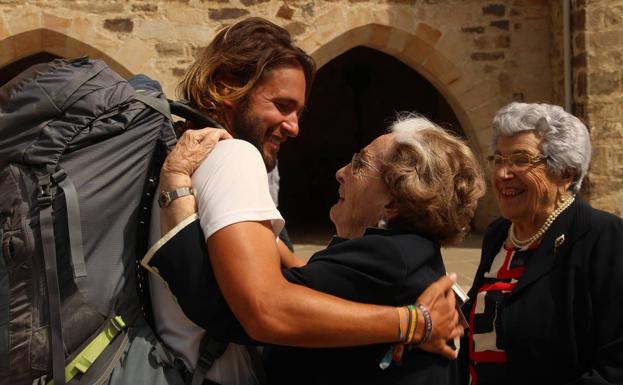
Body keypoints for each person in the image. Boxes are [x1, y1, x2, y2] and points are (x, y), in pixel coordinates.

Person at [144, 17, 462, 385]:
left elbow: (294, 281)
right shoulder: (236, 157)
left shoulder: (186, 153)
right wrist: (414, 322)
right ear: (226, 88)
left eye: (298, 112)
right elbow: (267, 307)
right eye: (281, 105)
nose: (294, 127)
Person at [150, 115, 484, 385]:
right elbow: (309, 284)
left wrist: (176, 185)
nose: (341, 173)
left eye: (359, 165)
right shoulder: (409, 256)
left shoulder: (387, 259)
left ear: (393, 202)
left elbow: (237, 311)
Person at [459, 102, 623, 385]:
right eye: (498, 159)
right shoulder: (499, 234)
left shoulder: (603, 237)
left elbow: (616, 365)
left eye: (520, 160)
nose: (502, 174)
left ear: (565, 173)